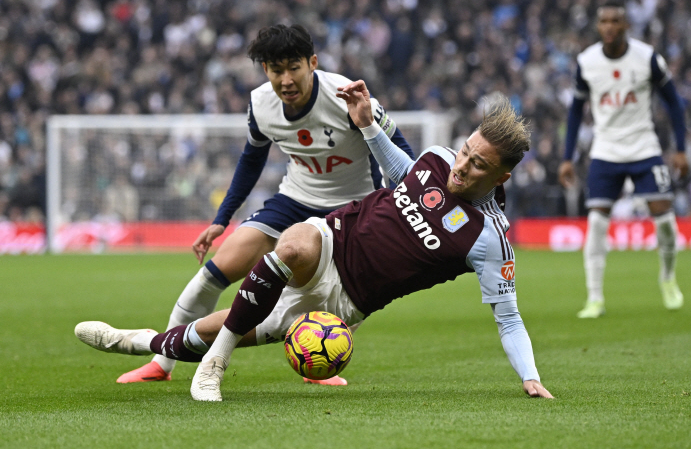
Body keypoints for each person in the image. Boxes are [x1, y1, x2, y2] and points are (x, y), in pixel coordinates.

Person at [75, 86, 554, 402]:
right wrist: (368, 125)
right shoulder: (436, 159)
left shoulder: (489, 239)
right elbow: (400, 174)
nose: (462, 165)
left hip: (346, 303)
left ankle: (135, 342)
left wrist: (530, 378)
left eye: (477, 165)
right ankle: (214, 368)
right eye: (466, 150)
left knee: (213, 330)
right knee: (294, 242)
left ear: (501, 176)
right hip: (331, 240)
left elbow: (508, 318)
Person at [117, 24, 414, 385]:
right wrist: (221, 218)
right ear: (265, 71)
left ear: (313, 63)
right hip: (294, 200)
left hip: (351, 211)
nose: (285, 79)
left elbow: (403, 157)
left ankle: (316, 366)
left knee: (339, 300)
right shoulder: (261, 103)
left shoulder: (347, 96)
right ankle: (161, 364)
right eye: (276, 70)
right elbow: (251, 159)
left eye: (294, 67)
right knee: (217, 268)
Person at [558, 0, 689, 319]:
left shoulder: (647, 59)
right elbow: (575, 111)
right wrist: (567, 157)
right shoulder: (587, 62)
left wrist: (681, 148)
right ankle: (594, 298)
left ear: (626, 25)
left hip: (645, 147)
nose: (609, 27)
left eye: (615, 21)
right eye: (604, 21)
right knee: (597, 223)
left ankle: (668, 278)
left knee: (666, 223)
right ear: (598, 26)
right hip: (606, 151)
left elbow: (674, 103)